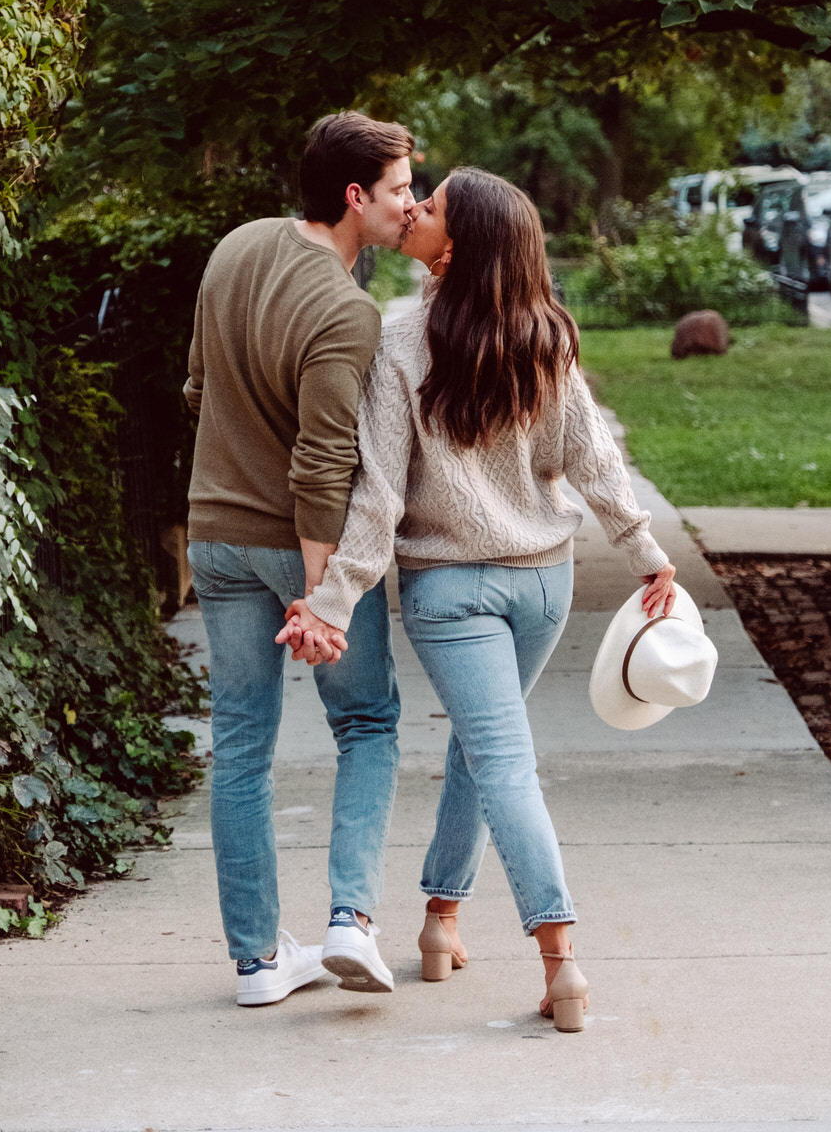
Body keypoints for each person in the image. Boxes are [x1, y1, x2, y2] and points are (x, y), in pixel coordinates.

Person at [279, 167, 676, 1032]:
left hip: (452, 592)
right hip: (544, 583)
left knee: (496, 758)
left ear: (455, 246)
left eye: (432, 206)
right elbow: (593, 458)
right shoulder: (544, 332)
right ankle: (441, 918)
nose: (413, 210)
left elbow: (378, 495)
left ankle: (561, 961)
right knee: (488, 747)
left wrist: (333, 599)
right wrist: (640, 548)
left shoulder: (400, 338)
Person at [184, 111, 415, 1008]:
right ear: (355, 197)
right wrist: (324, 596)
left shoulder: (236, 247)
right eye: (398, 190)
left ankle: (254, 965)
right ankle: (350, 922)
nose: (409, 205)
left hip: (213, 534)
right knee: (366, 724)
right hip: (295, 547)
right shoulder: (345, 311)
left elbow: (198, 384)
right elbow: (321, 469)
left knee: (240, 744)